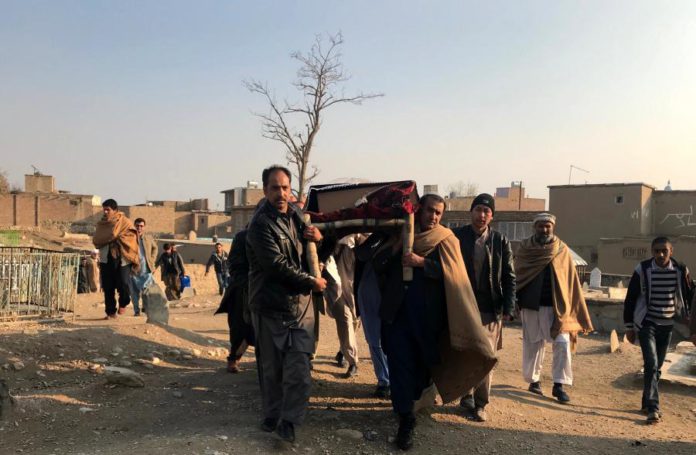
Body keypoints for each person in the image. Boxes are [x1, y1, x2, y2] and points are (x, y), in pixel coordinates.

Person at [375, 194, 496, 451]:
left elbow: (455, 275)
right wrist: (396, 248)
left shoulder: (446, 239)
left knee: (421, 370)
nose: (433, 217)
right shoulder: (400, 232)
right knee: (399, 365)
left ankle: (412, 402)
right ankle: (405, 419)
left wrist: (423, 263)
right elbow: (376, 262)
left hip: (427, 318)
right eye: (430, 210)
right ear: (419, 210)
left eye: (438, 213)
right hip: (398, 315)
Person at [246, 165, 328, 443]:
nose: (281, 193)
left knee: (299, 368)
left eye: (285, 187)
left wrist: (319, 240)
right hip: (270, 305)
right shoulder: (259, 225)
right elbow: (275, 265)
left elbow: (311, 254)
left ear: (290, 189)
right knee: (272, 369)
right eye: (275, 188)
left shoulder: (297, 216)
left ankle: (289, 422)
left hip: (300, 306)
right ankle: (272, 413)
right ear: (265, 190)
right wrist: (311, 282)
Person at [515, 213, 593, 403]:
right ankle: (534, 381)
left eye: (547, 226)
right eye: (540, 226)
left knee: (563, 343)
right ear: (535, 227)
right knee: (533, 344)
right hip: (531, 305)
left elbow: (570, 280)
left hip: (557, 307)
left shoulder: (561, 249)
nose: (544, 229)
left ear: (553, 227)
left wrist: (573, 307)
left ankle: (559, 385)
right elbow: (517, 275)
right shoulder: (525, 249)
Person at [453, 193, 516, 422]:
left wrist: (509, 306)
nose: (482, 215)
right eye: (478, 209)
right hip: (463, 306)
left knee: (486, 356)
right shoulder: (457, 237)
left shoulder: (500, 241)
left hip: (490, 307)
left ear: (492, 216)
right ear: (471, 212)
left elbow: (509, 276)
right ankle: (466, 395)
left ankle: (481, 403)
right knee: (464, 353)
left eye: (486, 211)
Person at [623, 236, 693, 424]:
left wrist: (692, 327)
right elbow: (631, 298)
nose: (661, 254)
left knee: (657, 367)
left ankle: (646, 401)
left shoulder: (680, 270)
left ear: (671, 251)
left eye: (664, 251)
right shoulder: (643, 269)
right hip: (647, 323)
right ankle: (653, 408)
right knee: (652, 363)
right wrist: (629, 326)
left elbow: (690, 296)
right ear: (652, 251)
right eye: (657, 251)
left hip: (668, 325)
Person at [354, 234, 391, 398]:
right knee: (375, 339)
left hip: (395, 294)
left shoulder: (413, 237)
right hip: (371, 293)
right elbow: (362, 254)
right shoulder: (373, 241)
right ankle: (384, 380)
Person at [215, 229, 255, 373]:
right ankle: (233, 360)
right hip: (243, 290)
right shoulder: (243, 236)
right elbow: (234, 265)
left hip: (264, 290)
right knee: (240, 328)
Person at [92, 199, 140, 319]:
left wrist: (118, 238)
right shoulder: (102, 224)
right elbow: (97, 239)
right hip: (106, 258)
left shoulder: (125, 222)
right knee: (108, 287)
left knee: (123, 283)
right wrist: (111, 238)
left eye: (108, 210)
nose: (105, 212)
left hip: (123, 258)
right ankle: (110, 312)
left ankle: (123, 302)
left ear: (115, 210)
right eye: (104, 210)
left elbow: (132, 237)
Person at [327, 235, 361, 379]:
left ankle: (343, 351)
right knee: (345, 318)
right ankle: (353, 362)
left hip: (356, 259)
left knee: (355, 318)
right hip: (334, 265)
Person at [129, 218, 158, 316]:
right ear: (134, 226)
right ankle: (136, 310)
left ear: (144, 227)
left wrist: (152, 259)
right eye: (137, 225)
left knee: (146, 289)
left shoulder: (148, 238)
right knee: (134, 291)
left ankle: (146, 307)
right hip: (133, 268)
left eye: (141, 226)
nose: (139, 228)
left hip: (146, 267)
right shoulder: (130, 238)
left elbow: (155, 248)